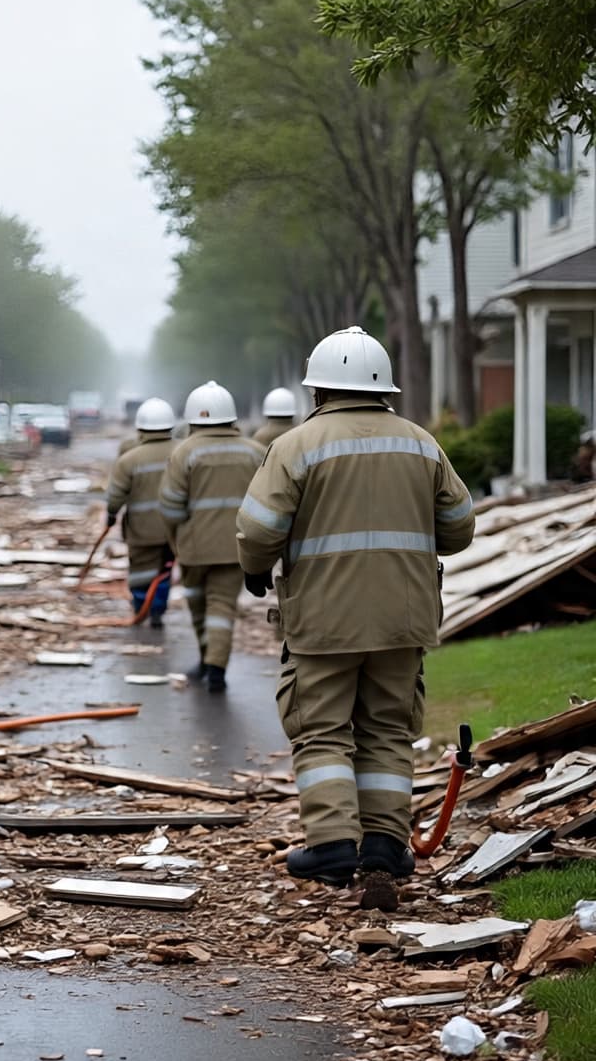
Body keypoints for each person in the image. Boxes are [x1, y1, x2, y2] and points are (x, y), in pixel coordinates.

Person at [236, 326, 475, 911]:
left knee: (322, 730)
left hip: (322, 622)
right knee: (387, 731)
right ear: (383, 388)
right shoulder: (421, 443)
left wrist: (254, 569)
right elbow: (461, 527)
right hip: (404, 620)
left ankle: (333, 844)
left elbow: (258, 529)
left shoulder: (295, 446)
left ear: (318, 388)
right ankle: (386, 848)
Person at [160, 381, 263, 692]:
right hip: (237, 548)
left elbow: (170, 506)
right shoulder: (255, 453)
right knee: (222, 606)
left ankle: (209, 661)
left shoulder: (185, 453)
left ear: (192, 419)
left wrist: (175, 541)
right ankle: (214, 666)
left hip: (194, 548)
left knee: (198, 605)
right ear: (232, 418)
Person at [105, 398, 176, 627]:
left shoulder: (129, 459)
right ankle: (157, 610)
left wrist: (111, 514)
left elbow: (116, 494)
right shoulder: (183, 451)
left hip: (140, 529)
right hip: (173, 529)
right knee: (164, 570)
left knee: (140, 570)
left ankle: (141, 606)